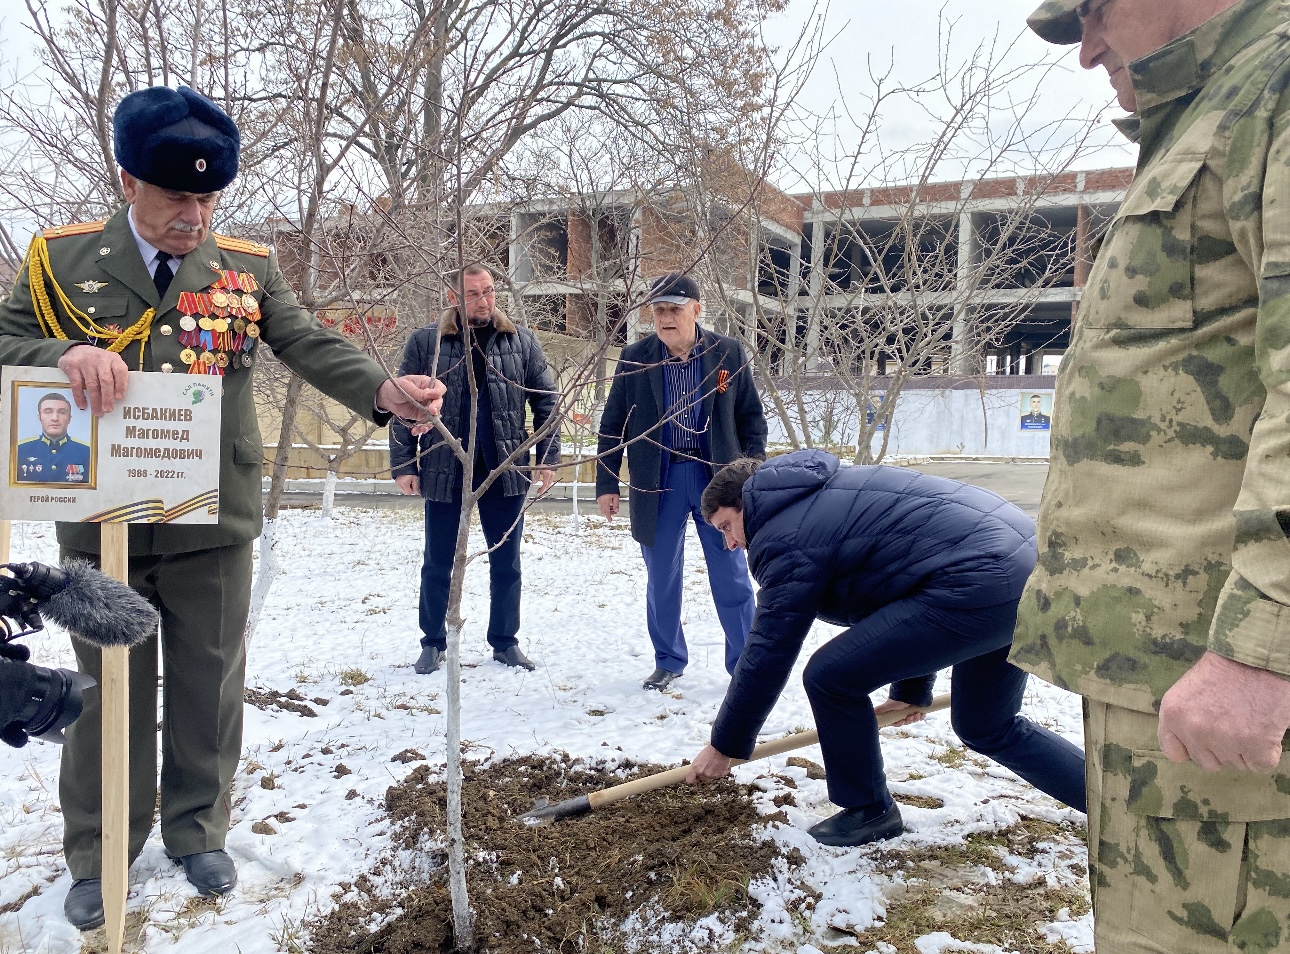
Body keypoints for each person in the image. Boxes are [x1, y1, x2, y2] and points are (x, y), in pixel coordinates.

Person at [0, 86, 444, 931]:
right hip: (103, 520)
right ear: (129, 180)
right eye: (177, 196)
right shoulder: (59, 262)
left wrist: (382, 391)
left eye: (208, 198)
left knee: (209, 686)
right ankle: (99, 850)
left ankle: (197, 828)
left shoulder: (247, 268)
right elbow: (2, 338)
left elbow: (305, 340)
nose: (194, 215)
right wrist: (64, 353)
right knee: (109, 688)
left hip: (212, 516)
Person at [1017, 2, 1290, 950]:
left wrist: (1262, 648)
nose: (1087, 47)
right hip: (1171, 685)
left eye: (1092, 11)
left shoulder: (1276, 85)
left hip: (1229, 686)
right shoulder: (1217, 107)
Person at [683, 450, 1086, 845]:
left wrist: (725, 745)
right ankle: (1113, 801)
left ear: (745, 503)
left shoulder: (784, 534)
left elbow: (769, 648)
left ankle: (869, 811)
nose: (731, 544)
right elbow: (902, 580)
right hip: (1026, 569)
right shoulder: (824, 494)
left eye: (726, 527)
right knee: (987, 724)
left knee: (829, 677)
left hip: (982, 579)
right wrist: (909, 693)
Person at [596, 272, 766, 691]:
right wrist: (606, 483)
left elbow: (751, 422)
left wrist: (750, 479)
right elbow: (612, 423)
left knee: (731, 574)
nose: (666, 318)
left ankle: (743, 664)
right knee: (662, 577)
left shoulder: (727, 352)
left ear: (696, 309)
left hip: (717, 479)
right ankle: (669, 659)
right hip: (658, 480)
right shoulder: (635, 357)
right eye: (659, 311)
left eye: (674, 309)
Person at [390, 264, 558, 674]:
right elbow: (402, 402)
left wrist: (547, 458)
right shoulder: (426, 342)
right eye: (473, 294)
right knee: (437, 562)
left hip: (504, 470)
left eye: (488, 292)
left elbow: (547, 402)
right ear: (453, 297)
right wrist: (402, 464)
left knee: (507, 563)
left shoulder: (522, 340)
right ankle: (433, 642)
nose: (483, 301)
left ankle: (505, 642)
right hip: (445, 468)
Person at [16, 392, 92, 482]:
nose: (55, 418)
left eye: (62, 412)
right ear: (39, 417)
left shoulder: (87, 452)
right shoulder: (19, 450)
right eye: (48, 412)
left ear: (69, 419)